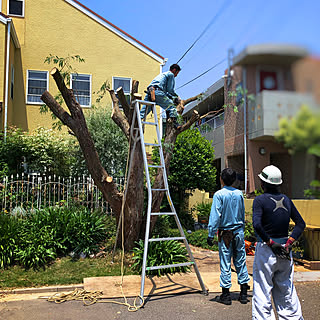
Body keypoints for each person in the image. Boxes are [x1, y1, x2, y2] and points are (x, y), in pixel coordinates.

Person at [252, 165, 306, 320]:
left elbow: (256, 225)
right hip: (284, 251)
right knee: (286, 289)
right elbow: (300, 224)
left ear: (263, 184)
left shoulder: (260, 200)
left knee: (262, 290)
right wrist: (289, 242)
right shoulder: (286, 200)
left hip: (267, 250)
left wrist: (270, 242)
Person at [207, 168, 250, 305]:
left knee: (225, 262)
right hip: (238, 231)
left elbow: (215, 216)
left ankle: (225, 295)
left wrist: (210, 233)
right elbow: (242, 213)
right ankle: (243, 293)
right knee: (240, 260)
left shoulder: (219, 195)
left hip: (225, 233)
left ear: (221, 179)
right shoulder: (239, 194)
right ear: (234, 180)